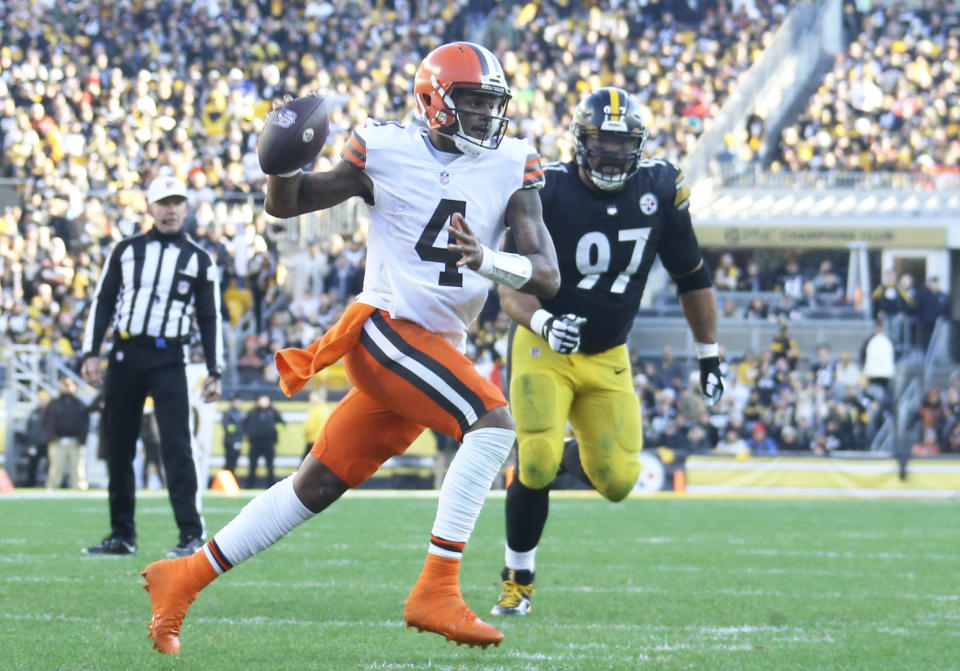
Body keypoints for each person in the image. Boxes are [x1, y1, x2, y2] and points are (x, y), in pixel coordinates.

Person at [141, 41, 560, 654]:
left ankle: (181, 578)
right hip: (385, 329)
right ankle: (436, 589)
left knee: (315, 486)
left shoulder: (512, 162)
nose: (486, 118)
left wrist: (489, 259)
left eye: (492, 105)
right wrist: (281, 162)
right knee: (492, 423)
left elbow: (546, 275)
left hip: (431, 348)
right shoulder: (385, 149)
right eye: (472, 104)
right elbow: (292, 204)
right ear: (436, 102)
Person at [488, 87, 723, 617]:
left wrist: (708, 353)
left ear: (638, 146)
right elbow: (510, 285)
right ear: (580, 142)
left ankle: (557, 453)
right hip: (543, 344)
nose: (613, 154)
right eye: (602, 142)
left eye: (622, 144)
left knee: (618, 480)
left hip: (608, 351)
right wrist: (546, 322)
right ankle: (517, 581)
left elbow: (692, 275)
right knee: (537, 460)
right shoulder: (545, 187)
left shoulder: (661, 187)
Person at [80, 174, 224, 558]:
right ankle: (122, 535)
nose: (170, 209)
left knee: (177, 445)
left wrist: (215, 369)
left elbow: (210, 317)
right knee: (119, 445)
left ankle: (191, 535)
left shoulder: (198, 259)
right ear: (150, 208)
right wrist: (90, 351)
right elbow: (104, 300)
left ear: (187, 208)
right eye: (164, 202)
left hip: (169, 358)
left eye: (177, 202)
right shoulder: (125, 251)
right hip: (126, 356)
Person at [43, 377, 90, 491]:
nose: (67, 388)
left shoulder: (80, 404)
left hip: (75, 441)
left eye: (69, 385)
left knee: (78, 468)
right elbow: (47, 421)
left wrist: (81, 439)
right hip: (57, 441)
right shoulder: (54, 404)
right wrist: (52, 438)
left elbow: (85, 422)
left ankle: (80, 487)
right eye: (64, 385)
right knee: (56, 467)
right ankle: (52, 487)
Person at [242, 394, 284, 488]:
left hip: (269, 443)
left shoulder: (273, 412)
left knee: (270, 466)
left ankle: (271, 485)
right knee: (252, 465)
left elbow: (282, 424)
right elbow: (245, 424)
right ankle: (250, 484)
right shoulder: (252, 412)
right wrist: (249, 434)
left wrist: (274, 430)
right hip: (255, 443)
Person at [220, 397, 245, 477]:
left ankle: (230, 479)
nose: (238, 403)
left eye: (239, 401)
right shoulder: (228, 413)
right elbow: (227, 427)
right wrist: (238, 428)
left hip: (238, 441)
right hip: (230, 441)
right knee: (229, 462)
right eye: (236, 401)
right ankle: (224, 479)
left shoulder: (241, 413)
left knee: (234, 462)